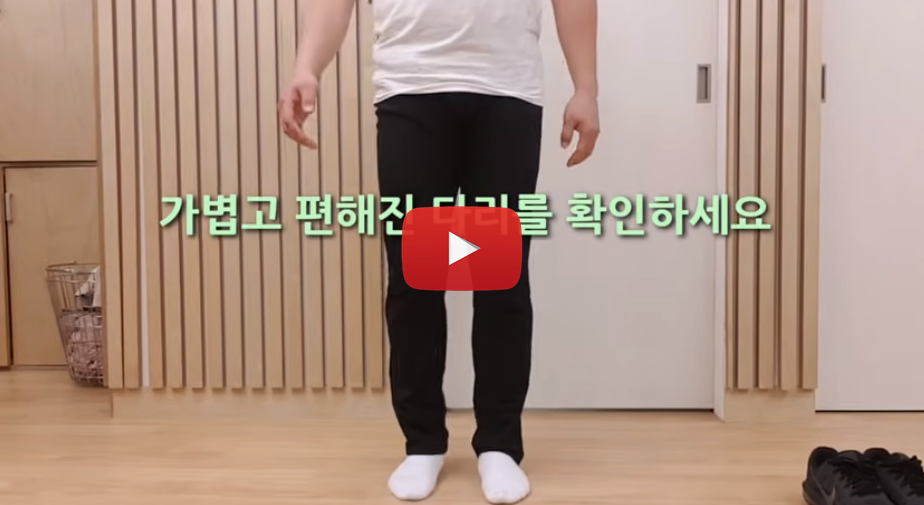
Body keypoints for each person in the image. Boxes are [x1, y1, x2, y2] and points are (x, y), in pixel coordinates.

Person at [279, 0, 599, 502]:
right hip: (411, 86)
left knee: (501, 279)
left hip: (506, 90)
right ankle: (423, 442)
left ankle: (499, 444)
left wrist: (586, 87)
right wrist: (307, 67)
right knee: (414, 278)